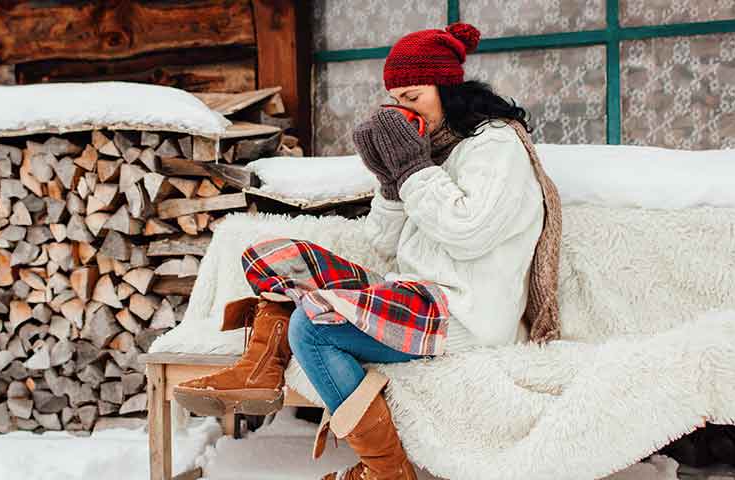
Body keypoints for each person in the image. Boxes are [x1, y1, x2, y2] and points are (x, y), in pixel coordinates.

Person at [174, 22, 563, 480]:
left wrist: (411, 169)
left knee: (311, 325)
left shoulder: (495, 145)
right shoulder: (432, 150)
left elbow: (469, 231)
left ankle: (387, 472)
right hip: (416, 292)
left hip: (464, 314)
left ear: (449, 88)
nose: (403, 109)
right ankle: (260, 370)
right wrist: (389, 181)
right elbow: (383, 242)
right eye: (396, 100)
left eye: (413, 97)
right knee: (274, 260)